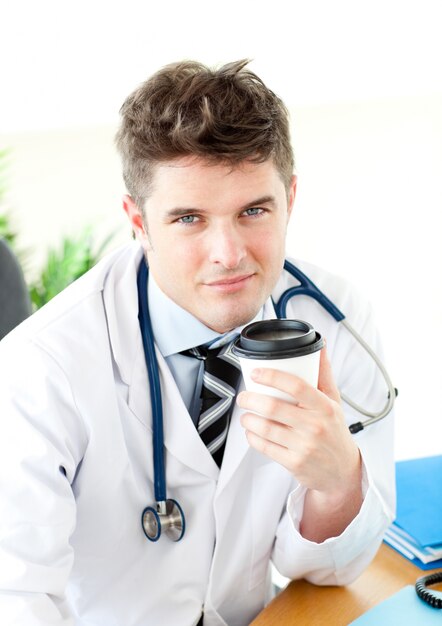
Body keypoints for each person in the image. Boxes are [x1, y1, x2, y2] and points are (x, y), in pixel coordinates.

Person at [0, 60, 395, 626]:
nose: (228, 254)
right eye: (188, 218)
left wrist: (335, 483)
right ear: (137, 219)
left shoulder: (331, 318)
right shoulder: (42, 368)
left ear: (291, 197)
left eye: (253, 210)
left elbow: (330, 572)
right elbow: (16, 600)